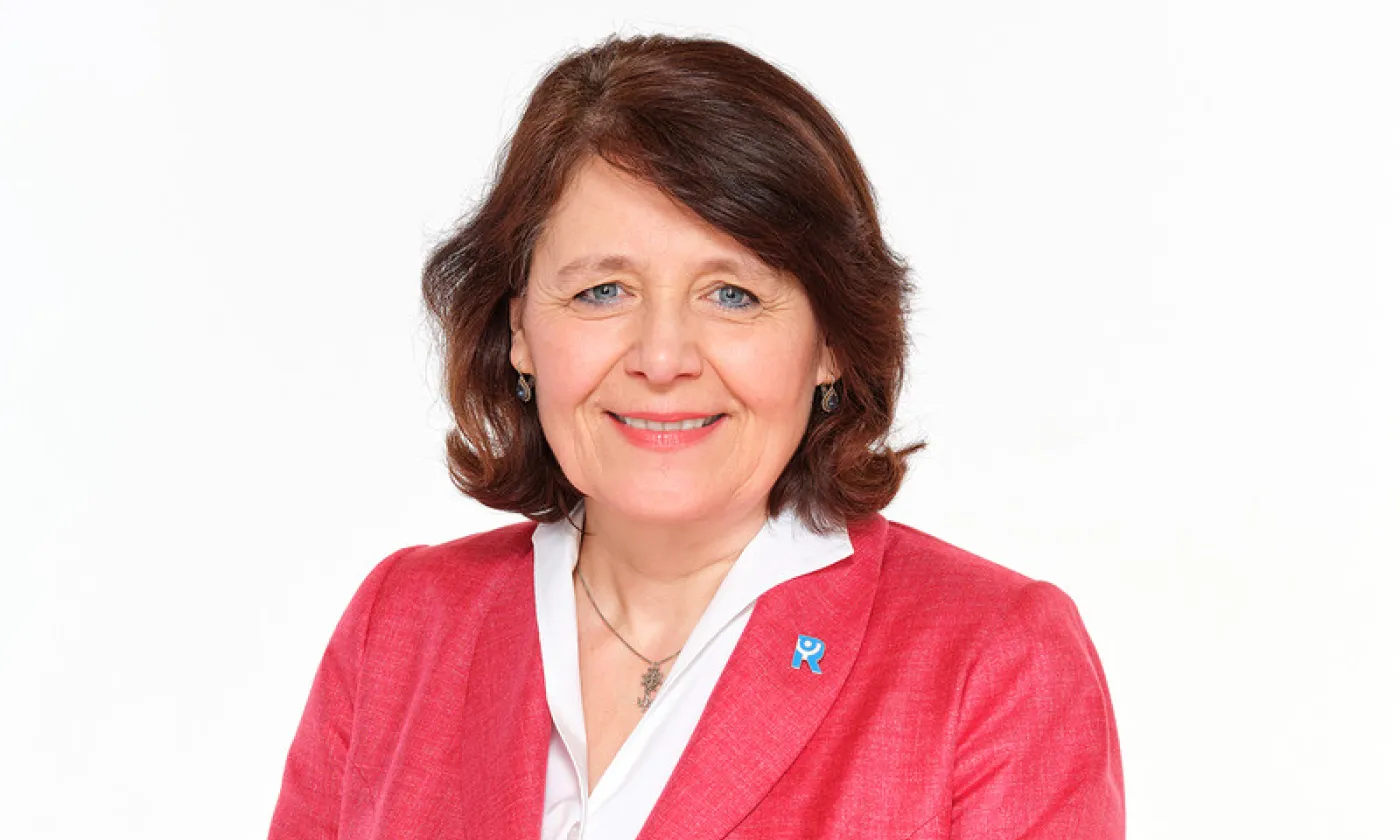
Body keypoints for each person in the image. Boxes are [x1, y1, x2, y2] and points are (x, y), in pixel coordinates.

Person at [267, 32, 1125, 840]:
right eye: (603, 291)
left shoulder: (992, 661)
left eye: (732, 295)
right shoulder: (403, 625)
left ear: (830, 341)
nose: (662, 358)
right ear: (519, 328)